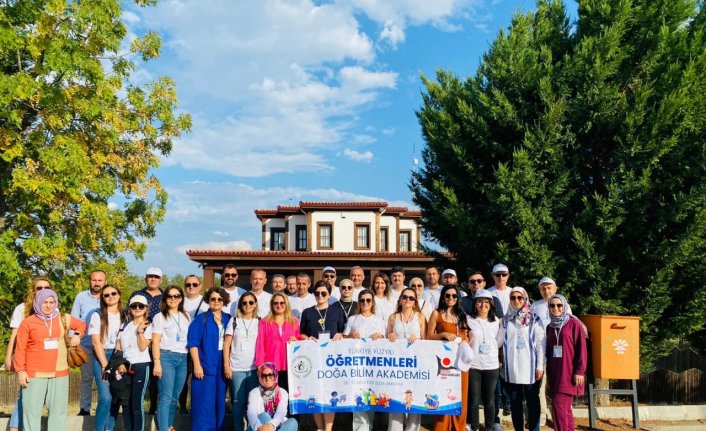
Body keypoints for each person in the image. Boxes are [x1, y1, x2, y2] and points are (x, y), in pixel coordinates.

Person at [14, 288, 86, 431]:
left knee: (59, 412)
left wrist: (77, 335)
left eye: (52, 302)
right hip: (34, 373)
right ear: (38, 302)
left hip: (59, 372)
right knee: (31, 412)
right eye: (45, 302)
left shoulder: (63, 318)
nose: (48, 305)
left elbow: (81, 325)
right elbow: (20, 348)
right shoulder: (27, 323)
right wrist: (20, 371)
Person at [4, 277, 51, 431]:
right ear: (33, 290)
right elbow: (14, 337)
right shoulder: (22, 308)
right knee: (25, 392)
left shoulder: (53, 308)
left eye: (47, 287)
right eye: (39, 288)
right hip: (26, 357)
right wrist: (8, 357)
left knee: (41, 396)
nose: (43, 291)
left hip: (47, 358)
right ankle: (15, 427)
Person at [299, 281, 345, 431]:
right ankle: (320, 428)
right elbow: (302, 333)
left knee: (329, 392)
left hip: (331, 360)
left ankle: (328, 428)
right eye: (317, 293)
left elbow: (342, 331)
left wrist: (340, 335)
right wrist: (307, 338)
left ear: (329, 295)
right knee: (315, 392)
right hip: (313, 357)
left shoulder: (336, 311)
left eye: (323, 293)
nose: (320, 296)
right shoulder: (307, 312)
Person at [499, 287, 545, 431]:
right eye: (513, 298)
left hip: (530, 367)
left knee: (533, 401)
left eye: (520, 298)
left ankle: (534, 428)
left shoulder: (535, 319)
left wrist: (540, 366)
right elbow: (498, 342)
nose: (516, 300)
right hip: (511, 368)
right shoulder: (505, 320)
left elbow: (540, 345)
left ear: (525, 299)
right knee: (515, 402)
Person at [187, 287, 231, 431]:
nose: (216, 301)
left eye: (219, 299)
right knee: (204, 402)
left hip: (222, 364)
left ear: (224, 301)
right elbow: (193, 344)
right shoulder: (201, 319)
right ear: (208, 300)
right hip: (205, 363)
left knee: (219, 401)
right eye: (213, 299)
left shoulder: (228, 319)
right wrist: (197, 365)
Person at [426, 285, 469, 431]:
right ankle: (442, 427)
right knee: (443, 393)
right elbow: (429, 336)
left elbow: (466, 334)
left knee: (461, 394)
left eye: (454, 296)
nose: (451, 298)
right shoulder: (436, 314)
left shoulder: (462, 314)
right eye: (448, 295)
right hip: (443, 362)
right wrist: (443, 335)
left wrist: (466, 340)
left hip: (460, 361)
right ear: (443, 297)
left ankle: (459, 426)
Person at [530, 277, 571, 426]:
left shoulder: (563, 304)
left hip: (560, 354)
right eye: (543, 288)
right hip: (541, 351)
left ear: (555, 288)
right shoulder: (534, 306)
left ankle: (561, 414)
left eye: (549, 288)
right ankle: (542, 413)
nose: (546, 291)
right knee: (541, 385)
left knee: (561, 385)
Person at [343, 289, 386, 431]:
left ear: (372, 302)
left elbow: (387, 343)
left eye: (368, 300)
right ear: (359, 302)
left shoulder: (379, 320)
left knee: (371, 398)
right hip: (356, 365)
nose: (365, 303)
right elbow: (343, 339)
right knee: (358, 398)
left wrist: (380, 336)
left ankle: (370, 427)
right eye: (362, 300)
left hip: (374, 366)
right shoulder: (352, 319)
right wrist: (350, 336)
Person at [545, 294, 587, 431]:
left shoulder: (574, 323)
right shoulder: (550, 327)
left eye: (559, 305)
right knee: (565, 411)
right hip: (555, 374)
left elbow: (582, 348)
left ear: (564, 306)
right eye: (552, 305)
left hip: (569, 374)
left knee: (558, 409)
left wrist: (580, 371)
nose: (555, 308)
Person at [386, 287, 426, 431]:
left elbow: (426, 341)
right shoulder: (392, 317)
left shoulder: (420, 317)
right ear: (400, 300)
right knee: (396, 398)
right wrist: (390, 336)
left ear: (415, 302)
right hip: (396, 365)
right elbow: (386, 340)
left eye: (411, 298)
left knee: (414, 399)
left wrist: (418, 338)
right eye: (405, 297)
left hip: (415, 365)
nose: (408, 300)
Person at [152, 285, 190, 431]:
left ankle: (168, 425)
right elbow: (155, 341)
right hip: (166, 357)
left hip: (183, 357)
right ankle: (163, 428)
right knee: (166, 396)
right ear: (165, 298)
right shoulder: (160, 316)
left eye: (177, 296)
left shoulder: (186, 316)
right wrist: (157, 363)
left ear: (181, 298)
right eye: (170, 296)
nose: (173, 299)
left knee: (175, 395)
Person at [113, 295, 153, 431]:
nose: (137, 308)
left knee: (137, 403)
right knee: (125, 403)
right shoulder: (124, 325)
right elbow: (118, 347)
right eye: (134, 306)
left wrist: (139, 331)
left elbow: (143, 347)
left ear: (146, 309)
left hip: (141, 365)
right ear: (129, 308)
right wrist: (119, 363)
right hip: (125, 366)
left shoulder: (148, 325)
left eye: (140, 306)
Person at [90, 284, 125, 431]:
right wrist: (105, 364)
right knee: (106, 397)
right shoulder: (97, 315)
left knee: (116, 396)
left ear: (119, 295)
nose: (110, 296)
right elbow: (95, 342)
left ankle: (109, 428)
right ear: (103, 298)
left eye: (113, 293)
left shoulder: (126, 315)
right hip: (102, 356)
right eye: (106, 295)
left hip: (119, 356)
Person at [467, 290, 503, 431]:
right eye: (480, 301)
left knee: (489, 400)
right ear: (475, 304)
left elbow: (499, 342)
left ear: (491, 304)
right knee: (474, 400)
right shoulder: (468, 319)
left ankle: (489, 427)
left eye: (486, 302)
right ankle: (475, 427)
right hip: (473, 365)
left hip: (491, 365)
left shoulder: (497, 321)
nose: (483, 305)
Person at [224, 292, 260, 431]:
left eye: (251, 302)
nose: (247, 305)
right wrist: (226, 365)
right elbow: (227, 345)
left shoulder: (260, 321)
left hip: (254, 369)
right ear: (240, 305)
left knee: (253, 403)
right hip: (236, 367)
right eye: (244, 303)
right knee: (238, 403)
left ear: (255, 304)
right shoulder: (233, 321)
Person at [72, 269, 106, 416]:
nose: (97, 283)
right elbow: (74, 319)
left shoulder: (109, 296)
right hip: (85, 343)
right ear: (90, 281)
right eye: (94, 280)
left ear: (105, 282)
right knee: (86, 378)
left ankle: (103, 408)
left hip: (103, 345)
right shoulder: (81, 297)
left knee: (104, 378)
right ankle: (84, 408)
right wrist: (72, 340)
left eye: (100, 280)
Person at [255, 293, 302, 391]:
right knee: (272, 396)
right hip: (271, 366)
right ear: (272, 305)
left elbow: (300, 341)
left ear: (286, 304)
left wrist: (297, 340)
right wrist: (259, 365)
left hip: (289, 365)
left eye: (282, 303)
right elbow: (260, 344)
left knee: (289, 395)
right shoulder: (265, 322)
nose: (279, 305)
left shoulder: (294, 321)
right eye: (275, 303)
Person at [180, 274, 208, 413]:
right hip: (181, 346)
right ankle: (183, 406)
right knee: (183, 379)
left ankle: (196, 406)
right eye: (188, 284)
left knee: (198, 377)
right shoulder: (179, 301)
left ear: (200, 286)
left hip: (199, 346)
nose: (191, 287)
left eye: (194, 284)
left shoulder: (206, 303)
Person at [487, 263, 512, 420]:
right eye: (498, 275)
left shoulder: (514, 292)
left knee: (509, 372)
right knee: (495, 373)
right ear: (493, 276)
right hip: (493, 338)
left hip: (512, 338)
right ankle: (496, 410)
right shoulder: (488, 293)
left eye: (504, 274)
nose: (501, 277)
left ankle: (508, 402)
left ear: (508, 275)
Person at [246, 363, 298, 431]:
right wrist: (259, 427)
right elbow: (251, 414)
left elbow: (281, 412)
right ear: (260, 377)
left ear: (276, 375)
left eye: (271, 375)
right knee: (265, 416)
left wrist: (271, 425)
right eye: (264, 376)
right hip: (257, 428)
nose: (267, 379)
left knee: (293, 422)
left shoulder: (283, 392)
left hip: (275, 427)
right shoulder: (254, 393)